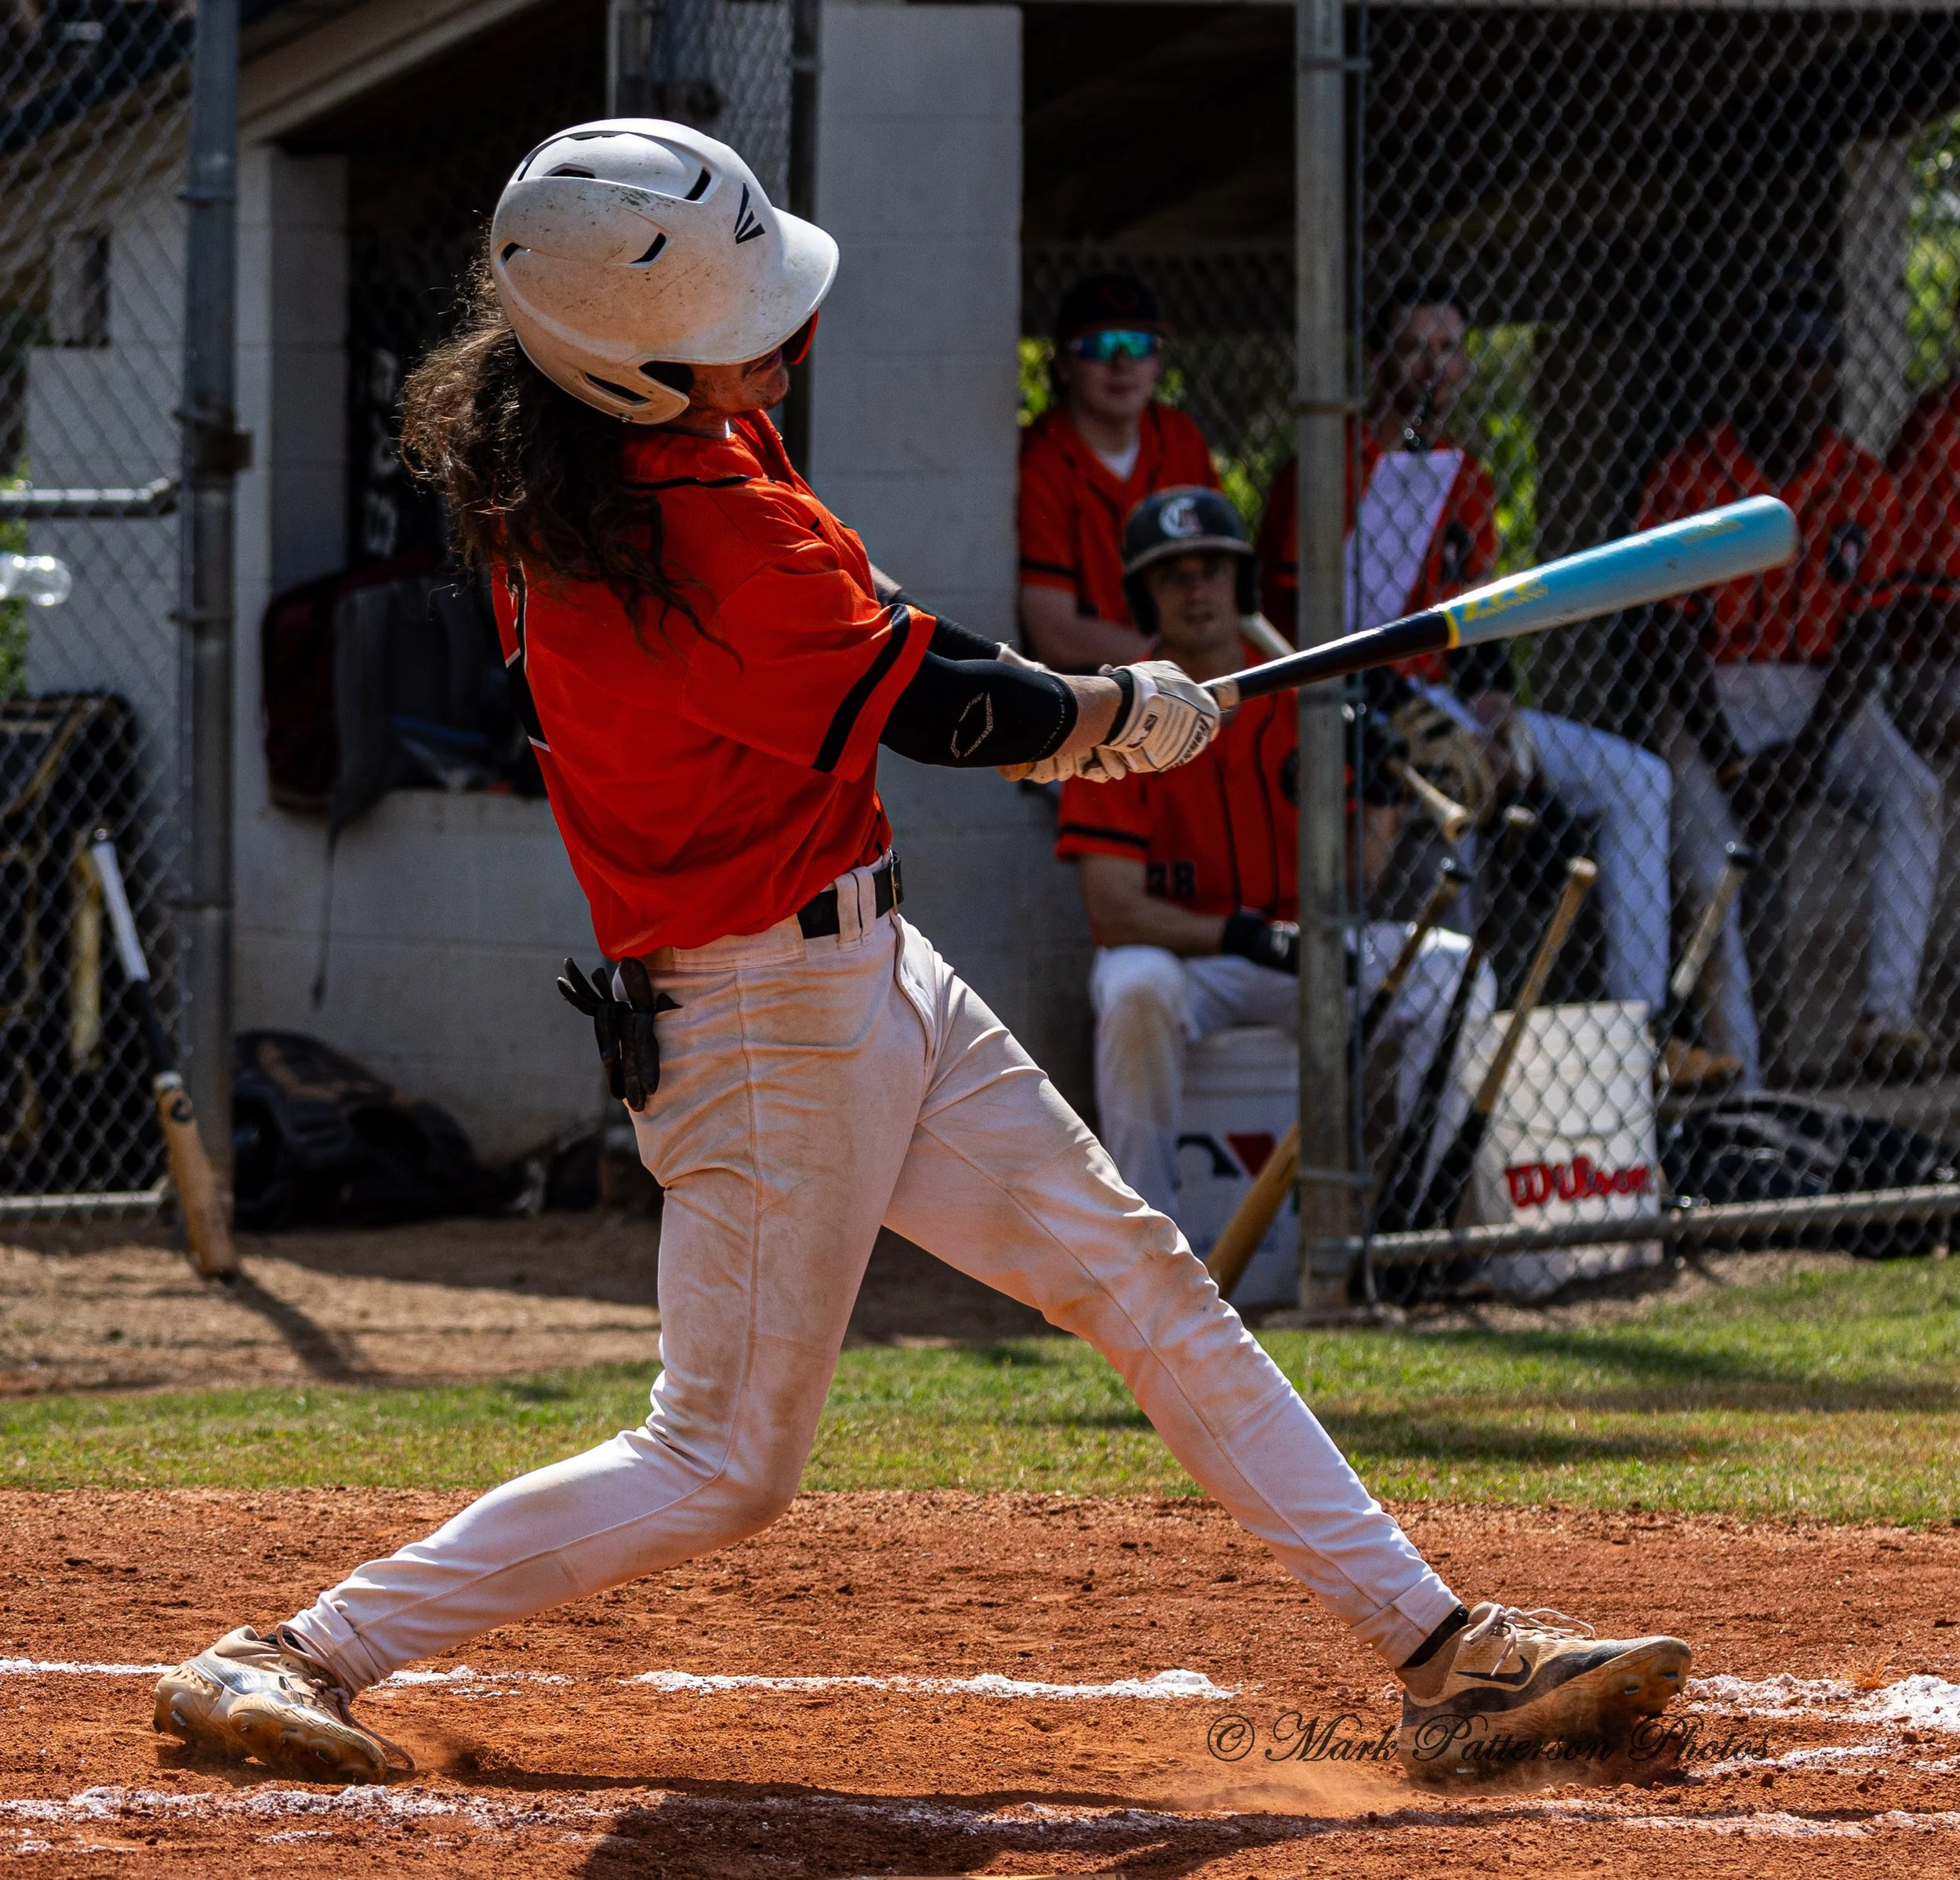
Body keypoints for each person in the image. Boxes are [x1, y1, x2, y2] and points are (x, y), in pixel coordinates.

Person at [152, 119, 1690, 1787]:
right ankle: (296, 1648)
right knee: (723, 1460)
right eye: (738, 321)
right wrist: (1110, 718)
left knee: (1140, 1279)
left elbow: (899, 641)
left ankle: (1444, 1651)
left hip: (858, 968)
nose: (779, 338)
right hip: (759, 1017)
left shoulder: (606, 465)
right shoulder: (685, 529)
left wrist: (1084, 709)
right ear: (628, 363)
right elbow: (947, 705)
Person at [1256, 282, 1691, 1076]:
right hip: (1349, 691)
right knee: (1461, 801)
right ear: (1378, 360)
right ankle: (1459, 1045)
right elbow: (1298, 628)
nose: (1434, 366)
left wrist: (1493, 718)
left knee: (1640, 779)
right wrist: (1450, 731)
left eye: (1448, 347)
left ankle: (1645, 1029)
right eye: (1416, 347)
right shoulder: (1327, 465)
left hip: (1446, 693)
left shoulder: (1464, 474)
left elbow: (1482, 628)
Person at [1058, 486, 1495, 1224]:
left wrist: (1383, 793)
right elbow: (1112, 913)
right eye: (1174, 576)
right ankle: (1147, 1252)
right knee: (1134, 985)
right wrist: (1241, 936)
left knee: (1455, 972)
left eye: (1213, 571)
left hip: (1306, 951)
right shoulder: (1116, 711)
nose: (1198, 591)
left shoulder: (1309, 698)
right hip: (1197, 964)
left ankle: (1415, 1219)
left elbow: (1358, 877)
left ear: (1243, 585)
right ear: (1145, 597)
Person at [1639, 286, 1940, 1084]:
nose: (1794, 379)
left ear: (1835, 374)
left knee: (1912, 792)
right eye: (1777, 360)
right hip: (1713, 690)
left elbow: (1865, 642)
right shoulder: (1691, 476)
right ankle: (1741, 1080)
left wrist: (1804, 758)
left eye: (1812, 362)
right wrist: (1734, 764)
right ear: (1747, 370)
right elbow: (1666, 640)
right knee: (1709, 871)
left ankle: (1887, 1016)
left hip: (1823, 695)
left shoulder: (1863, 483)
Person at [1018, 273, 1219, 670]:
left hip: (1185, 669)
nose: (1122, 362)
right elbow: (1054, 633)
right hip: (1088, 689)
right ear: (1063, 366)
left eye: (1139, 344)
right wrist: (1176, 661)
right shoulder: (1041, 459)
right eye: (1099, 346)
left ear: (1158, 362)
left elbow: (1224, 587)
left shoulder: (1180, 438)